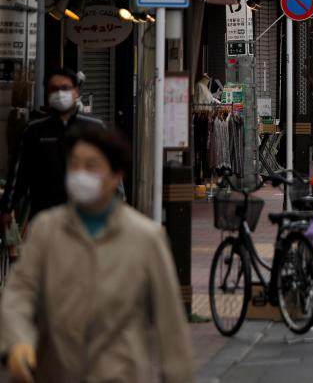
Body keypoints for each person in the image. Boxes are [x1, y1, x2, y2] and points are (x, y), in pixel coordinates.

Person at [0, 123, 192, 382]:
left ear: (116, 176)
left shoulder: (146, 238)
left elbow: (171, 325)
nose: (80, 174)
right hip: (56, 373)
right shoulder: (47, 230)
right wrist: (18, 342)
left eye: (91, 166)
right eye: (74, 164)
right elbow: (19, 293)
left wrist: (179, 375)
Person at [1, 68, 108, 227]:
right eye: (53, 89)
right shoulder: (33, 130)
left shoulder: (95, 127)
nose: (59, 93)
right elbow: (19, 174)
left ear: (76, 91)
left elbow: (111, 170)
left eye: (64, 88)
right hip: (46, 217)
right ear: (47, 93)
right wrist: (6, 209)